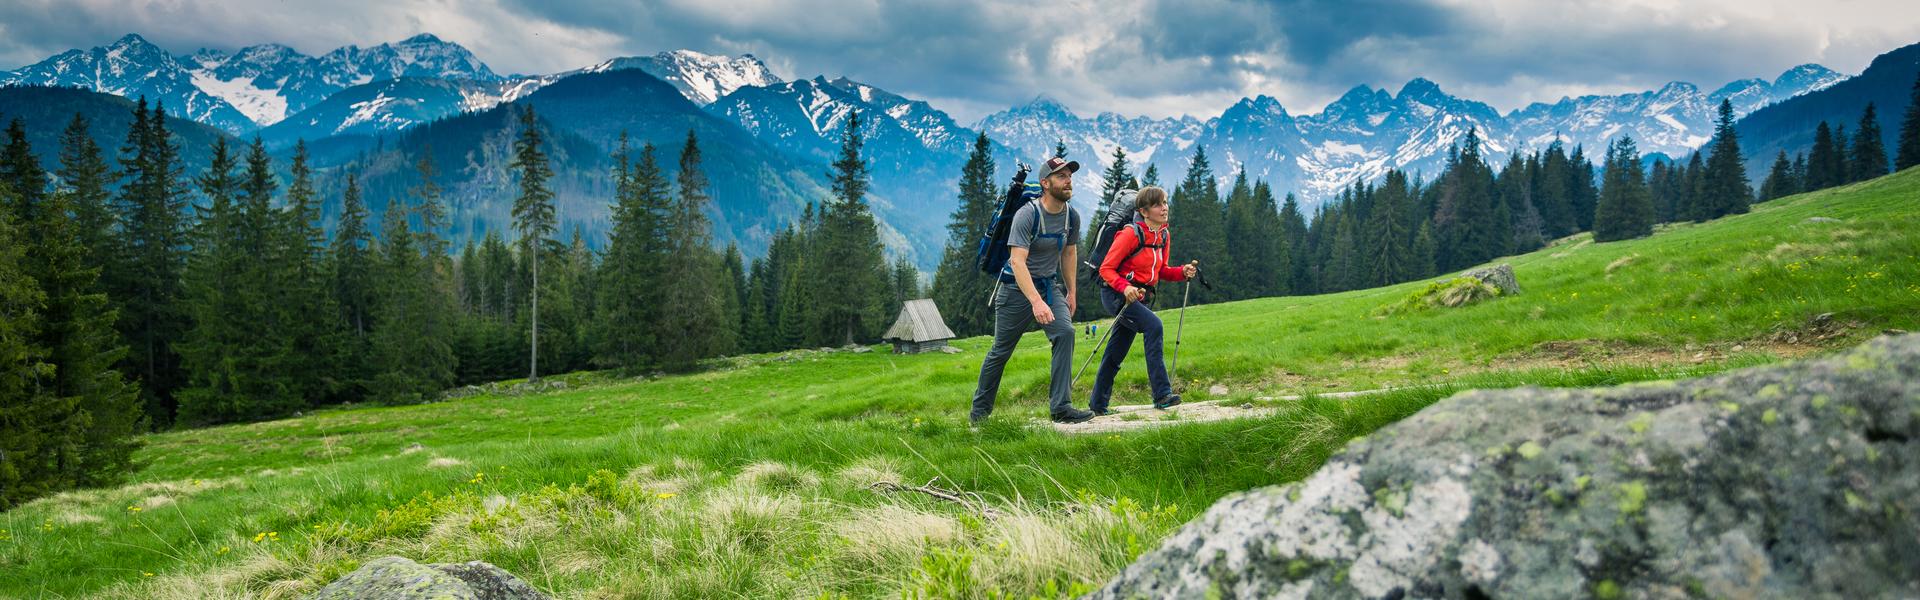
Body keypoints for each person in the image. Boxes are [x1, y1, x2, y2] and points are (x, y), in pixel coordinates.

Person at [971, 156, 1095, 424]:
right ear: (1045, 184)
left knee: (1065, 333)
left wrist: (1071, 292)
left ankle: (1061, 407)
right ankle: (979, 415)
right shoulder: (1027, 214)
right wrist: (1036, 302)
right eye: (1061, 176)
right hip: (1015, 290)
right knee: (1001, 351)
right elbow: (1017, 261)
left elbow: (1069, 252)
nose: (1068, 180)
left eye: (1069, 176)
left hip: (1049, 287)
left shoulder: (1071, 216)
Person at [1088, 186, 1195, 414]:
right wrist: (1125, 287)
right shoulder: (1130, 234)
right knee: (1154, 325)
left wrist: (1182, 272)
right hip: (1115, 294)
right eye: (1158, 204)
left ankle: (1097, 404)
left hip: (1139, 297)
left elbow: (1161, 271)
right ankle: (1162, 394)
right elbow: (1106, 269)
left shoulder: (1163, 235)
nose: (1164, 208)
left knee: (1116, 350)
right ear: (1144, 211)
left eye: (1165, 202)